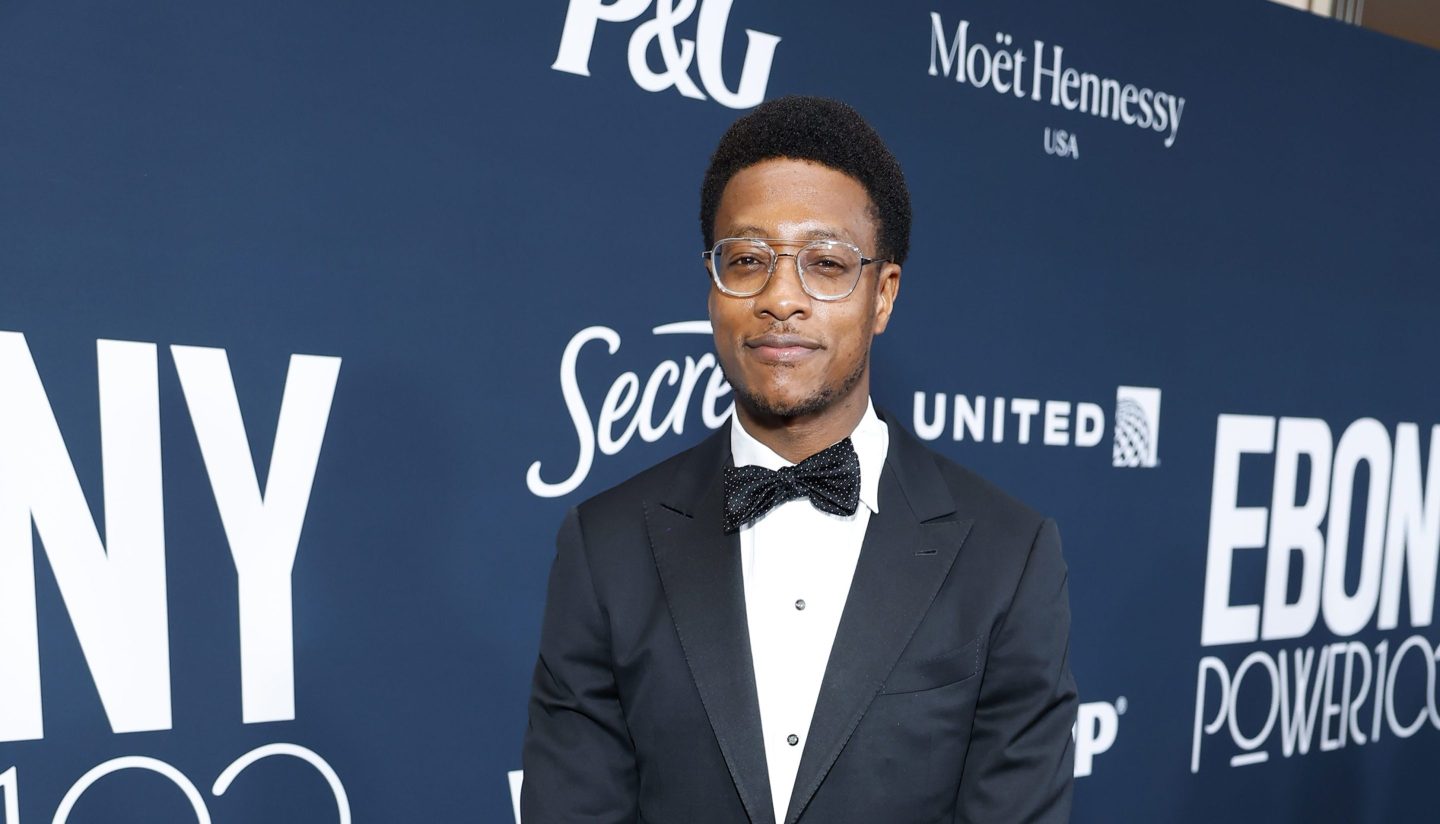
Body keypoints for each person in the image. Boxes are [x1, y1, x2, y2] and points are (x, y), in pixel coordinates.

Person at [521, 95, 1077, 824]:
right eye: (748, 260)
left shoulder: (1009, 556)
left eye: (825, 263)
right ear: (713, 286)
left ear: (882, 295)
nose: (781, 298)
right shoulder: (606, 545)